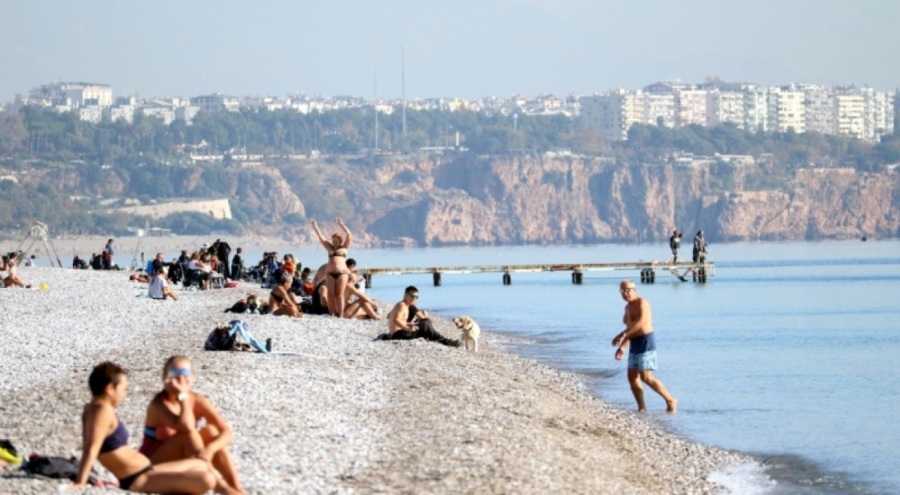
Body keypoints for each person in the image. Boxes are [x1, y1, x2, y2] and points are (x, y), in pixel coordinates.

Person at [73, 361, 235, 494]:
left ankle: (231, 490)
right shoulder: (101, 410)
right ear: (110, 389)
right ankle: (228, 491)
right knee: (206, 479)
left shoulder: (94, 408)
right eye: (123, 389)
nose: (125, 394)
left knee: (202, 465)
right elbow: (91, 448)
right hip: (136, 479)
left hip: (147, 469)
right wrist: (81, 482)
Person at [139, 356, 244, 493]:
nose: (181, 378)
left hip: (189, 459)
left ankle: (237, 488)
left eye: (185, 373)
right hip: (153, 467)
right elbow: (186, 427)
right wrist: (182, 396)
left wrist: (210, 450)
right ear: (165, 377)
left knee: (211, 432)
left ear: (193, 377)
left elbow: (226, 432)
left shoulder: (197, 400)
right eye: (175, 373)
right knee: (189, 435)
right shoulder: (159, 404)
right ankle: (223, 489)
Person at [610, 280, 677, 413]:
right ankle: (641, 407)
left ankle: (670, 400)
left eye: (628, 290)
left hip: (646, 341)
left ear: (635, 290)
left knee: (646, 376)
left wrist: (622, 335)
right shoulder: (627, 308)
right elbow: (630, 328)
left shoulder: (642, 303)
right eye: (623, 291)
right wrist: (623, 347)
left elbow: (640, 323)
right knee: (632, 376)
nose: (626, 294)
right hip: (634, 342)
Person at [378, 286, 460, 347]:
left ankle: (437, 338)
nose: (414, 299)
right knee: (425, 325)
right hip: (398, 334)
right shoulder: (402, 305)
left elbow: (391, 317)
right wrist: (407, 328)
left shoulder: (404, 305)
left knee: (425, 322)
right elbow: (396, 320)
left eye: (416, 297)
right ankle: (445, 341)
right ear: (405, 295)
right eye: (412, 296)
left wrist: (409, 324)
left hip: (397, 333)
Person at [310, 218, 352, 317]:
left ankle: (340, 315)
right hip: (330, 273)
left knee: (339, 294)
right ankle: (331, 313)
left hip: (341, 273)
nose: (334, 242)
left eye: (336, 240)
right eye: (333, 240)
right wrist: (314, 226)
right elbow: (321, 237)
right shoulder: (329, 248)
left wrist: (341, 224)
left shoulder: (344, 248)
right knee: (331, 294)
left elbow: (349, 235)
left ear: (340, 241)